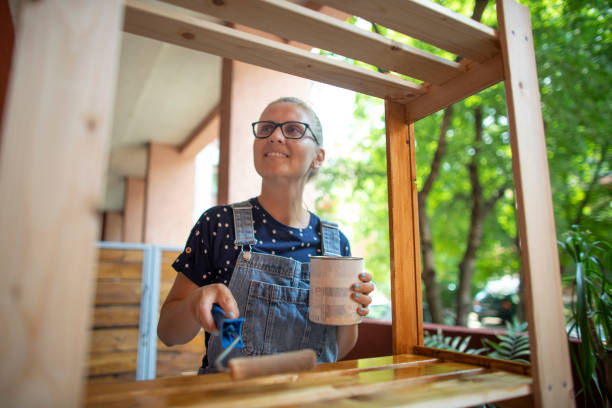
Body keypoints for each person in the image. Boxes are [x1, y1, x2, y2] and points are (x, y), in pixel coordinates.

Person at [157, 97, 374, 374]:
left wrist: (352, 310)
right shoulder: (218, 225)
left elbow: (336, 348)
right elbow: (168, 333)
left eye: (293, 130)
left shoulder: (335, 245)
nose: (275, 136)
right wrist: (193, 303)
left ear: (318, 157)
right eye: (266, 128)